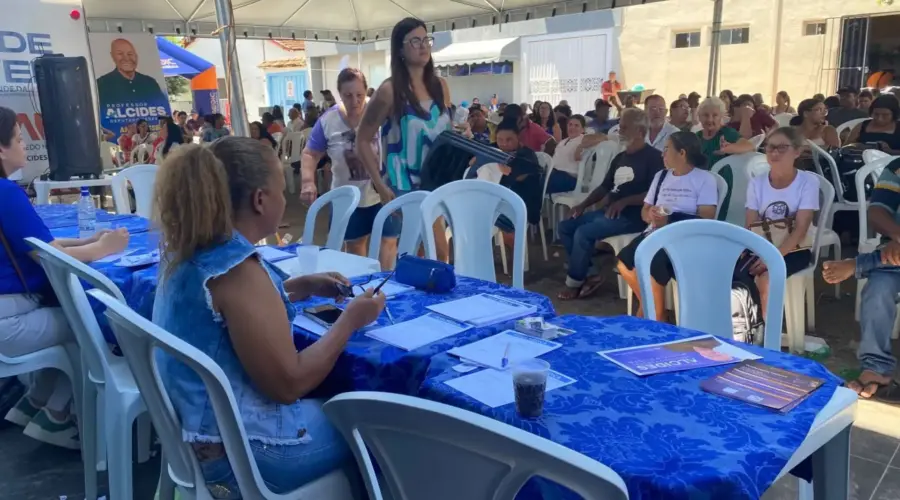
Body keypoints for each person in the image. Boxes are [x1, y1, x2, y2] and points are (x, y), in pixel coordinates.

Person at [152, 137, 382, 495]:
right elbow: (289, 383)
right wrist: (350, 320)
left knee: (339, 405)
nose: (284, 197)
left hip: (196, 439)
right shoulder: (238, 271)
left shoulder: (191, 250)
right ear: (261, 200)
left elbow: (225, 316)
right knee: (377, 429)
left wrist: (296, 286)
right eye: (280, 189)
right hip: (241, 457)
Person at [0, 106, 129, 449]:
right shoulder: (6, 193)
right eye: (17, 137)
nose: (24, 144)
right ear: (1, 148)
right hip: (9, 321)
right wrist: (103, 249)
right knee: (89, 323)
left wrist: (88, 240)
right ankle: (59, 415)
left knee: (71, 319)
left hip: (9, 313)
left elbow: (38, 243)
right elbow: (50, 258)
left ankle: (37, 402)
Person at [356, 17, 453, 263]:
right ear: (400, 49)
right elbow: (362, 139)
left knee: (438, 254)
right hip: (403, 185)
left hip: (437, 181)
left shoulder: (440, 86)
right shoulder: (390, 91)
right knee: (418, 254)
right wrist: (379, 184)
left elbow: (447, 134)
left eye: (426, 39)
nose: (423, 46)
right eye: (415, 41)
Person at [557, 109, 664, 300]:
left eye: (624, 127)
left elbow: (655, 193)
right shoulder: (620, 157)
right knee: (566, 226)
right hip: (611, 212)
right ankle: (591, 274)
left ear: (640, 131)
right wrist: (582, 205)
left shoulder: (654, 158)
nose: (620, 131)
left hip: (635, 216)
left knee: (583, 233)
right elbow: (604, 187)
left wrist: (625, 201)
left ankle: (574, 283)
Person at [300, 68, 400, 270]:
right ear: (339, 94)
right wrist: (308, 182)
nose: (354, 101)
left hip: (384, 192)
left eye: (359, 95)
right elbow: (310, 153)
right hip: (347, 198)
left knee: (388, 242)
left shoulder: (380, 113)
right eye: (348, 96)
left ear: (366, 92)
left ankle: (387, 290)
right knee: (355, 248)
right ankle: (360, 291)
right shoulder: (328, 121)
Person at [821, 157, 900, 402]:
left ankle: (857, 265)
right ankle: (876, 369)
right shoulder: (897, 167)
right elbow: (877, 211)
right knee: (878, 289)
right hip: (894, 252)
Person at [617, 132, 719, 320]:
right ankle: (656, 311)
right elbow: (644, 210)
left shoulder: (705, 179)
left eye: (666, 150)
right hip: (656, 232)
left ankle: (653, 314)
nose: (662, 155)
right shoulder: (661, 176)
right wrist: (651, 215)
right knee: (623, 262)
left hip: (685, 237)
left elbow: (707, 217)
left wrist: (670, 219)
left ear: (682, 153)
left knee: (652, 262)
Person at [745, 127, 818, 318]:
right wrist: (762, 254)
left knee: (767, 278)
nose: (775, 153)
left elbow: (801, 229)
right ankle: (746, 326)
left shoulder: (807, 182)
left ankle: (768, 332)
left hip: (793, 248)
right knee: (733, 272)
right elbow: (751, 225)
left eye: (782, 148)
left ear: (797, 151)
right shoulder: (756, 183)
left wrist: (771, 258)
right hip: (761, 246)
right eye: (770, 147)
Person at [696, 97, 755, 221]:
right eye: (705, 115)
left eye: (715, 115)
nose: (710, 119)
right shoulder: (696, 137)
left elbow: (750, 146)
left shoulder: (727, 133)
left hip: (722, 188)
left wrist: (730, 148)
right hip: (698, 186)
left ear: (722, 116)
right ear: (699, 117)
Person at [488, 119, 543, 231]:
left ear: (518, 138)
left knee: (481, 214)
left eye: (509, 140)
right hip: (496, 201)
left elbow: (517, 177)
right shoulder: (493, 149)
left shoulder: (527, 155)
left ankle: (509, 236)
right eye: (500, 139)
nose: (503, 143)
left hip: (519, 206)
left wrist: (496, 168)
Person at [96, 38, 166, 105]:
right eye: (120, 54)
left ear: (136, 56)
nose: (126, 58)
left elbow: (163, 109)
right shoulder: (102, 84)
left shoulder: (150, 83)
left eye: (130, 54)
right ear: (112, 56)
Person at [546, 115, 589, 194]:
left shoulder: (583, 139)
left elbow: (603, 137)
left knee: (541, 182)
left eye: (576, 125)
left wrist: (581, 146)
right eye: (570, 125)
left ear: (582, 129)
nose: (572, 128)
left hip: (570, 177)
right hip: (555, 173)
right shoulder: (563, 141)